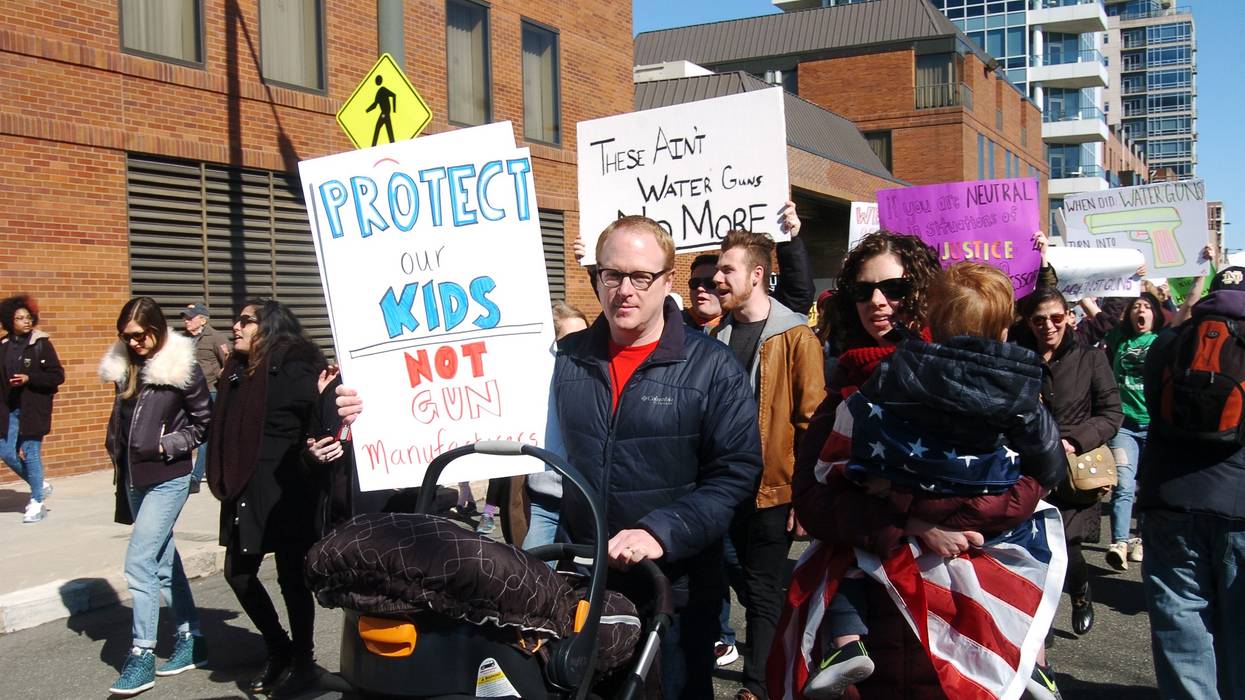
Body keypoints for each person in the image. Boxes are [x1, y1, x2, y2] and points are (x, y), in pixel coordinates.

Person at [798, 262, 1066, 700]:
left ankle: (847, 640)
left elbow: (847, 448)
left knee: (849, 562)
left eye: (895, 288)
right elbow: (1047, 463)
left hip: (906, 511)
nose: (879, 301)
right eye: (865, 290)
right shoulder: (1019, 385)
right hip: (910, 597)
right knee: (1032, 553)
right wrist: (919, 521)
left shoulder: (899, 373)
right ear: (1003, 330)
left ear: (929, 319)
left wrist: (902, 499)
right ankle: (1033, 656)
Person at [551, 215, 763, 699]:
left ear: (668, 281)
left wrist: (659, 532)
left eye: (641, 277)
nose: (625, 290)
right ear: (597, 277)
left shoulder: (712, 368)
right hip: (585, 584)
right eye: (613, 275)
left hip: (676, 591)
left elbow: (735, 474)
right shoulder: (566, 359)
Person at [712, 227, 825, 700]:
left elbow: (811, 421)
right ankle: (801, 625)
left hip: (772, 489)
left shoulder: (795, 337)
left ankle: (758, 686)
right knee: (736, 579)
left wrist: (804, 493)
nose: (717, 278)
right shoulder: (716, 335)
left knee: (760, 589)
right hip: (721, 489)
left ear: (757, 275)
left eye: (726, 269)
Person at [206, 299, 329, 699]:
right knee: (238, 574)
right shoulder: (237, 371)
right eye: (237, 321)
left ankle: (304, 661)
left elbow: (321, 417)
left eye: (246, 321)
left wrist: (317, 447)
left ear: (270, 326)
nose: (236, 327)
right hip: (244, 485)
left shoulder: (297, 367)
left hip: (287, 489)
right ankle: (279, 646)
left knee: (292, 579)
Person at [1139, 266, 1245, 699]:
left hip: (1171, 500)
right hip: (1240, 507)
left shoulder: (1168, 342)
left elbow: (1151, 408)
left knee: (1180, 627)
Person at [100, 297, 212, 696]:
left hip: (169, 477)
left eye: (139, 335)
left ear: (156, 328)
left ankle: (142, 654)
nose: (133, 343)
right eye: (126, 337)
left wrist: (169, 445)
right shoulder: (124, 367)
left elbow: (203, 422)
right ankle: (191, 638)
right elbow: (124, 421)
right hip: (133, 478)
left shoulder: (181, 366)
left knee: (139, 561)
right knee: (163, 561)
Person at [1014, 287, 1122, 640]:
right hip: (1030, 467)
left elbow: (1111, 414)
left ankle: (1080, 593)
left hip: (1076, 471)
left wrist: (1074, 441)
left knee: (1070, 548)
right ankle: (1038, 624)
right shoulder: (1019, 357)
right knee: (1034, 549)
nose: (1049, 326)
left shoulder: (1091, 358)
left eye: (1056, 318)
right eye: (1040, 320)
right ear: (1028, 323)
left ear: (1070, 317)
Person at [1099, 293, 1166, 571]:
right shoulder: (1119, 338)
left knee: (1148, 488)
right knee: (1124, 485)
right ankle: (1120, 542)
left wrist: (1199, 276)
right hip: (1124, 427)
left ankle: (1141, 541)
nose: (1141, 310)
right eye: (1136, 306)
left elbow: (1187, 309)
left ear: (1156, 315)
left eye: (1147, 307)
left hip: (1154, 426)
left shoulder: (1164, 341)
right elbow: (1093, 312)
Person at [520, 301, 591, 550]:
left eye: (584, 337)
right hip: (546, 503)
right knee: (531, 580)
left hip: (587, 504)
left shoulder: (594, 377)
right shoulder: (531, 384)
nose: (578, 346)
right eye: (569, 340)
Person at [0, 294, 64, 523]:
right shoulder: (4, 346)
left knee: (30, 452)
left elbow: (57, 376)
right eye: (19, 318)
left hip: (34, 408)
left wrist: (29, 378)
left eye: (28, 317)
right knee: (6, 451)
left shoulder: (41, 344)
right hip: (9, 410)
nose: (26, 321)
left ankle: (37, 502)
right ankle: (40, 484)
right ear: (10, 321)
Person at [181, 302, 230, 493]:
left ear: (202, 319)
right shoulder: (184, 340)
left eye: (190, 317)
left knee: (205, 436)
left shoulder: (216, 338)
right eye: (185, 317)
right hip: (188, 393)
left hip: (210, 391)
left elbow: (227, 363)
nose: (186, 321)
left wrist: (219, 377)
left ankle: (195, 477)